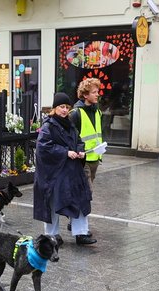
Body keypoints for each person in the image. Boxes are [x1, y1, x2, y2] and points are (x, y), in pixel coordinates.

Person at [33, 92, 94, 246]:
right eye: (61, 107)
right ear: (55, 108)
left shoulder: (70, 125)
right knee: (53, 203)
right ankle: (52, 235)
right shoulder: (48, 126)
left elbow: (78, 141)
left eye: (67, 107)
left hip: (72, 171)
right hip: (55, 174)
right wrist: (65, 152)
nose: (65, 110)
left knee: (81, 198)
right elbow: (43, 148)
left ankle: (81, 233)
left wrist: (80, 151)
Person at [70, 77, 104, 237]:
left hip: (95, 159)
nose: (97, 94)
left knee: (83, 193)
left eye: (97, 91)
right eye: (94, 92)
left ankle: (73, 220)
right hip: (81, 161)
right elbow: (71, 137)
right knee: (86, 194)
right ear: (85, 95)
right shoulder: (76, 113)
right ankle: (80, 229)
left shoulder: (97, 111)